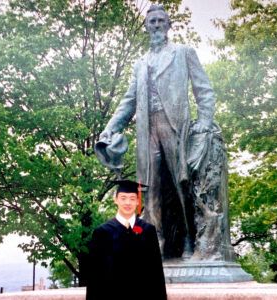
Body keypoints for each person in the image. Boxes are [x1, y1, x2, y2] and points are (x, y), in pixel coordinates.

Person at [99, 4, 215, 258]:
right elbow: (128, 101)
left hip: (174, 125)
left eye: (161, 20)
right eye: (152, 21)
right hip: (147, 128)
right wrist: (110, 128)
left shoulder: (183, 53)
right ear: (146, 26)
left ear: (169, 24)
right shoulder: (140, 64)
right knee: (149, 188)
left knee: (180, 184)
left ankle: (188, 239)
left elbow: (203, 89)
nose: (156, 25)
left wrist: (205, 120)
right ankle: (157, 241)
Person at [86, 180, 167, 300]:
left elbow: (156, 273)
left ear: (138, 201)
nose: (127, 202)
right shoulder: (102, 232)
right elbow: (95, 277)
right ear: (116, 200)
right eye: (123, 198)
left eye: (132, 199)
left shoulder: (148, 230)